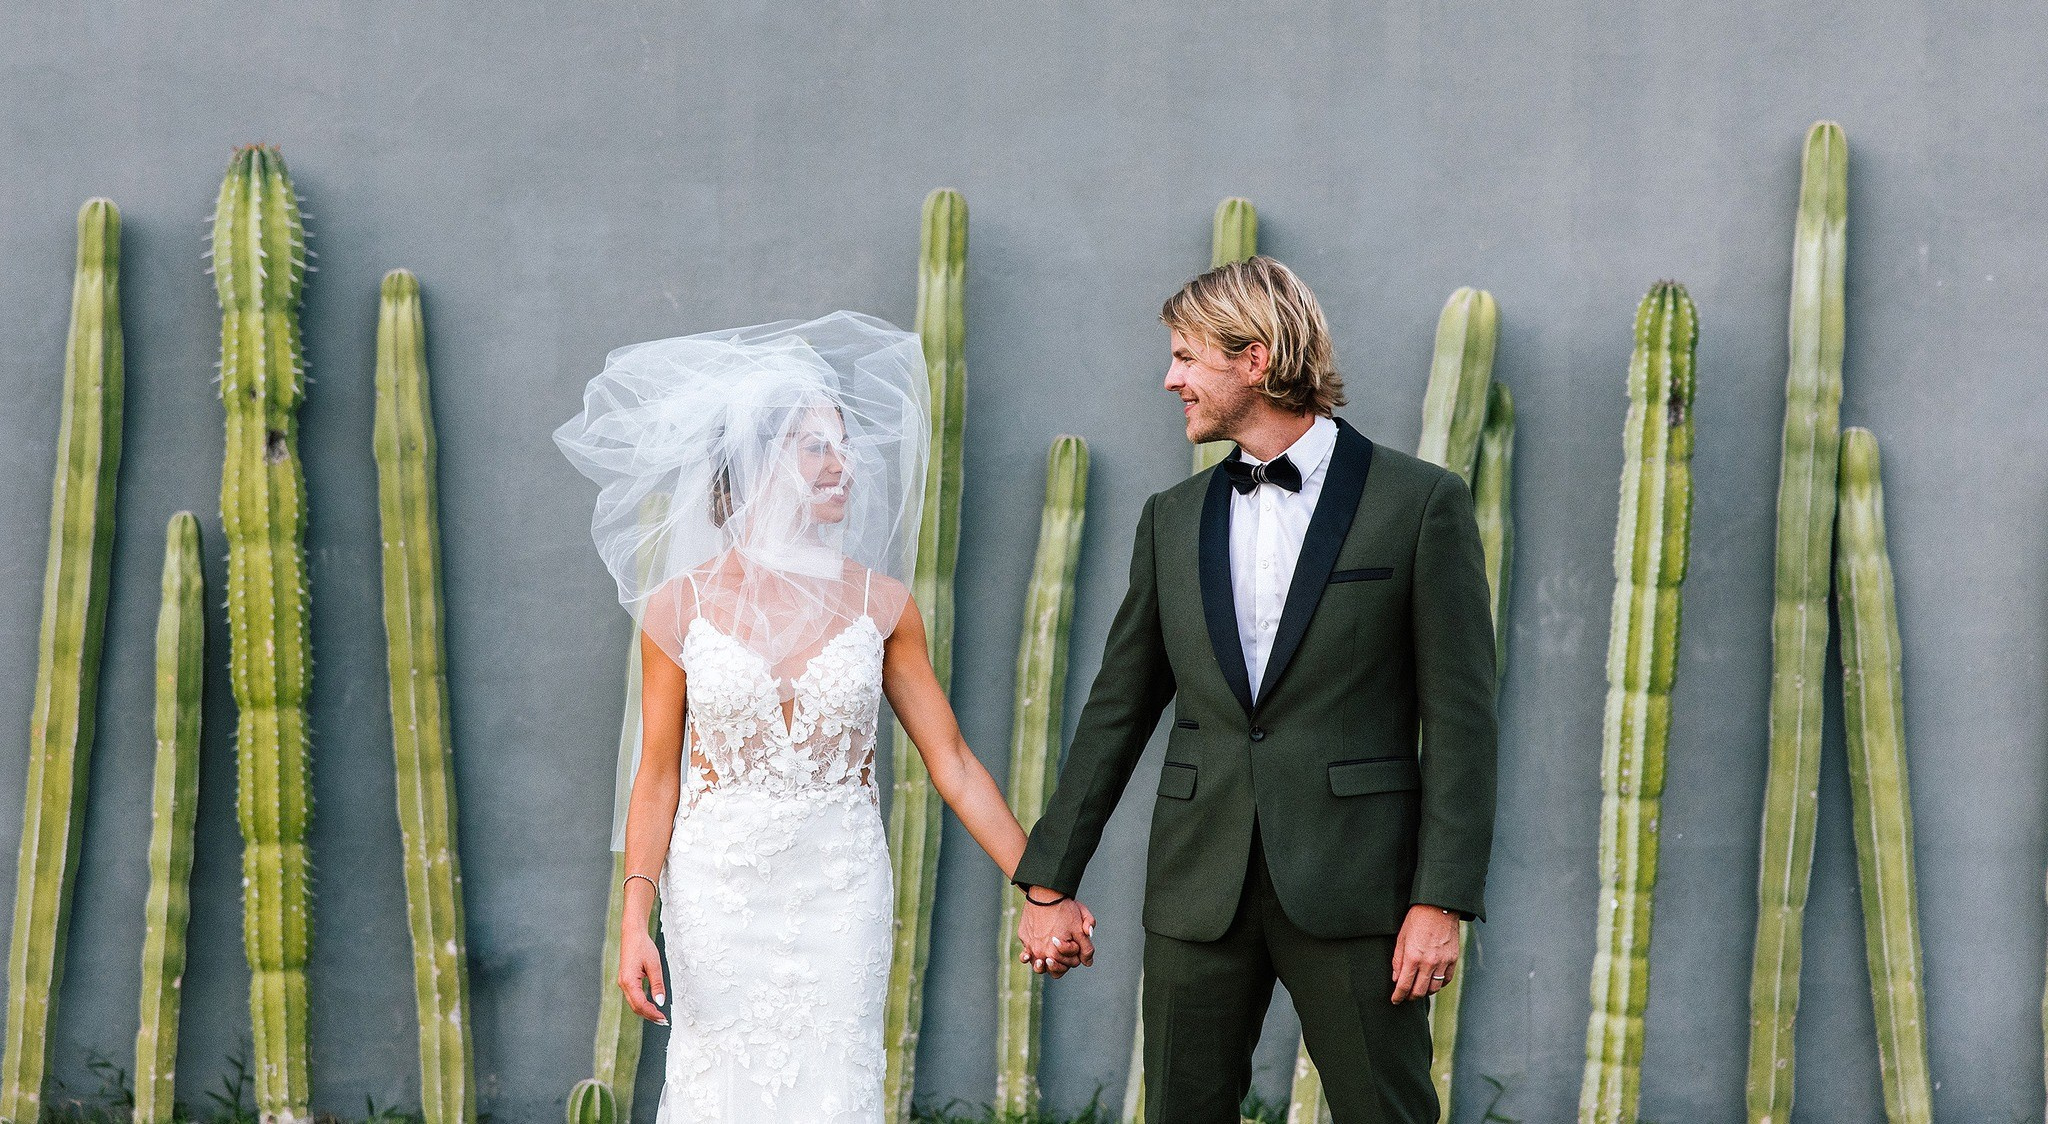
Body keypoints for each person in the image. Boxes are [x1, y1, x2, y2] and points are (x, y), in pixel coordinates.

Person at [556, 310, 1087, 1124]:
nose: (846, 465)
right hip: (718, 896)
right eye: (817, 446)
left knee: (833, 1088)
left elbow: (953, 761)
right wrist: (637, 917)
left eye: (843, 444)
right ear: (756, 461)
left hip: (839, 890)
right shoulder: (677, 606)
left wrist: (1043, 888)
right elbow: (657, 774)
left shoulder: (882, 604)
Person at [1010, 258, 1498, 1124]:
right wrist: (1049, 880)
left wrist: (1441, 898)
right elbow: (1117, 709)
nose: (1171, 379)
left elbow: (1463, 722)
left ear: (1255, 359)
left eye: (1187, 357)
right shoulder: (1171, 517)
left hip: (1359, 891)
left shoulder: (1421, 504)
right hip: (1199, 886)